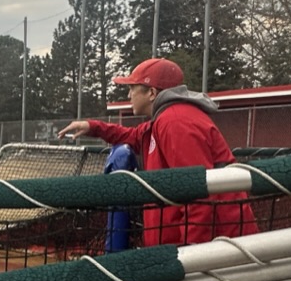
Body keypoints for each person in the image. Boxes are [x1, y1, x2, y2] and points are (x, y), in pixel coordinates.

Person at [57, 57, 259, 245]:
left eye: (133, 88)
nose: (129, 95)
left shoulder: (177, 122)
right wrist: (92, 127)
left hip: (216, 248)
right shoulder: (164, 119)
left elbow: (198, 193)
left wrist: (193, 253)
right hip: (194, 246)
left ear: (151, 93)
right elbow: (132, 136)